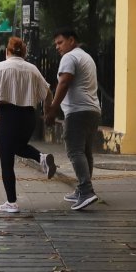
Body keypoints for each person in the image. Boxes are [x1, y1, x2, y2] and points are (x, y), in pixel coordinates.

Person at [0, 36, 57, 213]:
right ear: (24, 52)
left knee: (6, 160)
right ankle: (41, 158)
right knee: (19, 146)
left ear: (7, 52)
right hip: (29, 116)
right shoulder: (32, 69)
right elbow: (48, 93)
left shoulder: (1, 67)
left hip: (9, 115)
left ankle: (11, 202)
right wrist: (48, 111)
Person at [45, 27, 101, 210]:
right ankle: (82, 189)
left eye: (60, 42)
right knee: (85, 152)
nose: (57, 47)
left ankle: (86, 191)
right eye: (56, 44)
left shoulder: (69, 57)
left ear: (71, 40)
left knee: (75, 151)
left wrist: (52, 109)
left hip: (77, 111)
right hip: (92, 110)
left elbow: (64, 82)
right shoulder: (86, 57)